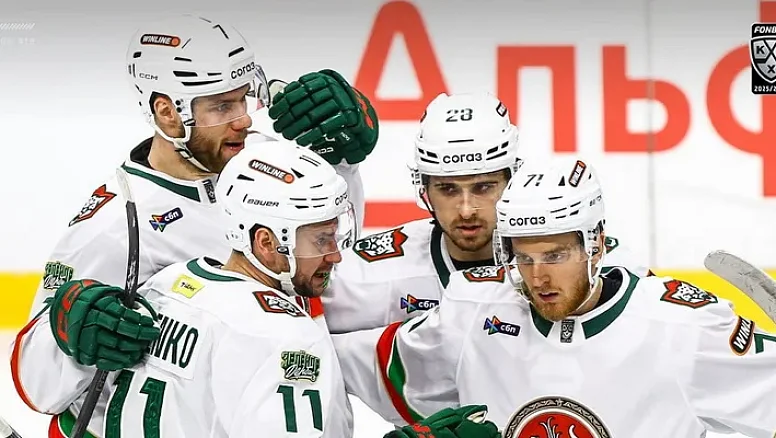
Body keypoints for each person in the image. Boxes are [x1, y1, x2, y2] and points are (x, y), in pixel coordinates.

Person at [11, 141, 501, 438]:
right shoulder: (281, 335)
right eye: (320, 239)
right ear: (266, 242)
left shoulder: (168, 284)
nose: (336, 254)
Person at [333, 156, 776, 437]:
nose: (538, 277)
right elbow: (338, 361)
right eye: (522, 257)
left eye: (556, 255)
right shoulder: (473, 310)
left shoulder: (683, 327)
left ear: (596, 244)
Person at [26, 13, 378, 321]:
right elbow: (33, 352)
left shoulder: (269, 157)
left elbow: (335, 263)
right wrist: (78, 334)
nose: (243, 120)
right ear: (168, 113)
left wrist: (344, 163)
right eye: (222, 107)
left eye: (242, 99)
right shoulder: (116, 227)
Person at [322, 92, 648, 335]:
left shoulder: (601, 264)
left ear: (512, 179)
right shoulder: (370, 272)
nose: (466, 210)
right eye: (448, 189)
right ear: (424, 189)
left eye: (483, 187)